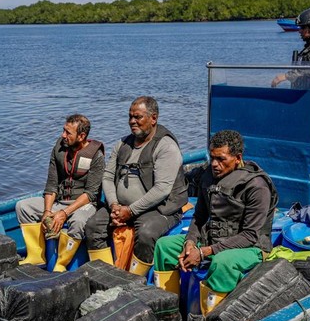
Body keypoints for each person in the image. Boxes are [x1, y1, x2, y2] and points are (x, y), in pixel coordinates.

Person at [152, 130, 278, 315]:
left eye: (221, 159)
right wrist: (190, 243)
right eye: (212, 158)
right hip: (213, 239)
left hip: (251, 247)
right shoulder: (208, 177)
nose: (215, 165)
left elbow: (250, 235)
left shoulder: (256, 186)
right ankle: (168, 313)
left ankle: (210, 320)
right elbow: (200, 216)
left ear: (237, 158)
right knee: (165, 247)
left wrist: (203, 253)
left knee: (222, 262)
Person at [84, 96, 188, 276]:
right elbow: (107, 177)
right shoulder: (123, 143)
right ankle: (105, 276)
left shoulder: (166, 146)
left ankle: (134, 281)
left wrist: (130, 211)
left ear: (153, 118)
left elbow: (162, 189)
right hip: (121, 208)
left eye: (138, 117)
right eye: (130, 116)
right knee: (93, 226)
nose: (132, 121)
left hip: (159, 208)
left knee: (147, 234)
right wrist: (114, 205)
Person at [15, 114, 105, 272]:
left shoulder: (96, 156)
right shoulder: (59, 149)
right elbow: (51, 184)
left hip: (84, 204)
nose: (63, 135)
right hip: (60, 202)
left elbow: (90, 194)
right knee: (23, 207)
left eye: (68, 133)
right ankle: (37, 256)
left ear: (82, 136)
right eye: (64, 130)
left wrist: (64, 213)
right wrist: (47, 211)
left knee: (78, 222)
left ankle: (61, 264)